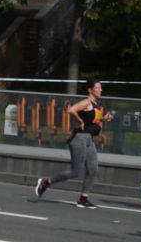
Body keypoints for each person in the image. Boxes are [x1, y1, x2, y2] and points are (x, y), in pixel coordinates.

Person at [34, 81, 106, 209]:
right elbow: (71, 110)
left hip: (89, 139)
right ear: (90, 90)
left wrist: (104, 119)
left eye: (101, 87)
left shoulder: (95, 105)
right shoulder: (86, 102)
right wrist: (79, 120)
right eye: (98, 87)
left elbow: (92, 122)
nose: (101, 89)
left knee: (93, 169)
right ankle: (46, 182)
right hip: (79, 138)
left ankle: (83, 199)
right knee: (76, 171)